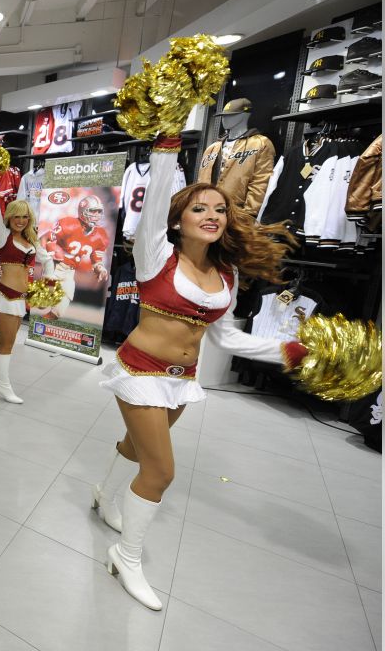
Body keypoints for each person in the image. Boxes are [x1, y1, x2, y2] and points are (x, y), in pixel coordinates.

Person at [93, 140, 307, 611]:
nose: (212, 215)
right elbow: (152, 208)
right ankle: (126, 557)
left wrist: (287, 350)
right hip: (140, 372)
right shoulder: (156, 256)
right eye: (199, 209)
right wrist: (168, 145)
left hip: (182, 381)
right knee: (161, 470)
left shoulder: (226, 276)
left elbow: (228, 340)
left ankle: (103, 495)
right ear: (177, 221)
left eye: (220, 209)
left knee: (135, 448)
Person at [0, 196, 56, 404]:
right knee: (8, 343)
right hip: (4, 296)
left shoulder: (32, 239)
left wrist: (49, 279)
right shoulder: (2, 237)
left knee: (4, 340)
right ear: (9, 218)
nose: (20, 221)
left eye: (25, 217)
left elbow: (47, 259)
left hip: (20, 298)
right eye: (16, 216)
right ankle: (3, 385)